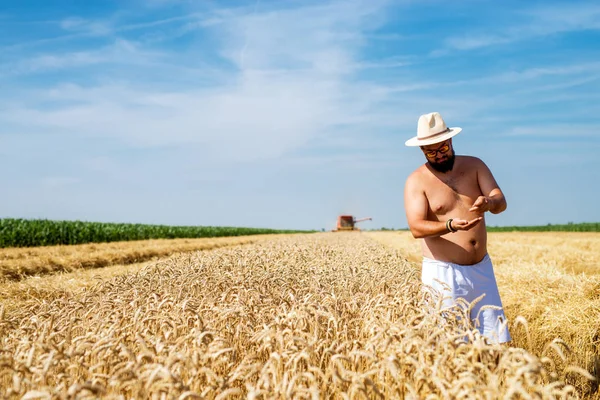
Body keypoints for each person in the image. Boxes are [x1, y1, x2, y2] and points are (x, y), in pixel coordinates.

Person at [403, 111, 511, 344]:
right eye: (431, 152)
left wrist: (489, 202)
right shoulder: (416, 180)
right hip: (443, 274)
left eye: (443, 149)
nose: (439, 156)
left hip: (482, 269)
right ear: (422, 151)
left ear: (451, 141)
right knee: (450, 346)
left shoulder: (475, 165)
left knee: (495, 344)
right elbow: (416, 227)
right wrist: (450, 225)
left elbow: (500, 201)